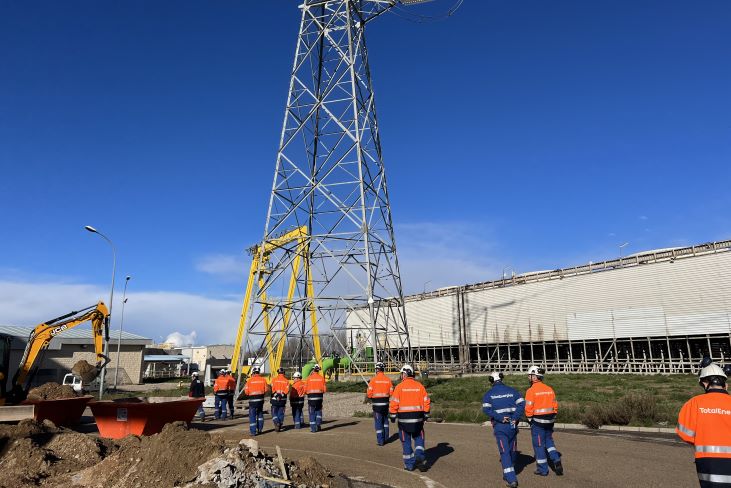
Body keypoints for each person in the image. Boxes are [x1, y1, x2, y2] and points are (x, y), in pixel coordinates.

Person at [677, 358, 731, 487]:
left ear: (705, 383)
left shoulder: (694, 403)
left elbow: (684, 433)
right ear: (726, 384)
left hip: (708, 461)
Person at [483, 371, 525, 488]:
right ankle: (510, 471)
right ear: (501, 379)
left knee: (504, 451)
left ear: (491, 380)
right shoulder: (512, 391)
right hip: (512, 424)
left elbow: (486, 410)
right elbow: (522, 404)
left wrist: (500, 418)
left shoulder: (489, 394)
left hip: (500, 426)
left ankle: (511, 478)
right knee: (512, 449)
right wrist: (515, 417)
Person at [389, 364, 431, 472]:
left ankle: (409, 465)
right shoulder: (420, 386)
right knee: (419, 438)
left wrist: (392, 415)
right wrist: (426, 414)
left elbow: (394, 403)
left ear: (405, 374)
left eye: (402, 374)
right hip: (418, 419)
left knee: (406, 441)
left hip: (404, 421)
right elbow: (426, 401)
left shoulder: (399, 387)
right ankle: (419, 457)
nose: (401, 376)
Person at [525, 365, 563, 477]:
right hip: (550, 420)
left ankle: (543, 470)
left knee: (539, 445)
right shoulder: (549, 389)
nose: (528, 377)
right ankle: (556, 460)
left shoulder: (531, 390)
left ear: (535, 377)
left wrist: (529, 419)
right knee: (549, 442)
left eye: (529, 375)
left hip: (538, 422)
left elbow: (528, 408)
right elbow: (555, 405)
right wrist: (553, 416)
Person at [367, 361, 394, 446]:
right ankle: (386, 438)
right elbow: (391, 392)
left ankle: (380, 441)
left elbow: (369, 393)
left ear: (377, 370)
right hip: (386, 405)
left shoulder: (373, 380)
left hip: (377, 405)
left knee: (378, 423)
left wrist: (373, 398)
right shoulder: (388, 380)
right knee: (385, 421)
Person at [244, 366, 268, 435]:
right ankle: (260, 429)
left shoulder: (249, 381)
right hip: (260, 400)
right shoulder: (263, 380)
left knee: (252, 416)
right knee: (260, 414)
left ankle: (253, 432)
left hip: (252, 401)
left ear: (253, 372)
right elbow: (266, 390)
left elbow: (246, 392)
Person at [305, 364, 327, 432]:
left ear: (313, 369)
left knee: (312, 413)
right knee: (318, 411)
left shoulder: (309, 378)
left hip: (311, 399)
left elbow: (305, 389)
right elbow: (324, 390)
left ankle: (313, 429)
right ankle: (318, 424)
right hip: (319, 398)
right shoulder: (321, 378)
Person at [271, 367, 290, 432]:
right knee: (281, 413)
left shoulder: (274, 380)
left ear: (278, 373)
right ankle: (280, 425)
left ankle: (277, 422)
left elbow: (272, 389)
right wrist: (281, 396)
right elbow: (286, 390)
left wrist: (277, 396)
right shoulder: (286, 381)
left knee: (274, 413)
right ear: (283, 373)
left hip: (274, 400)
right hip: (282, 400)